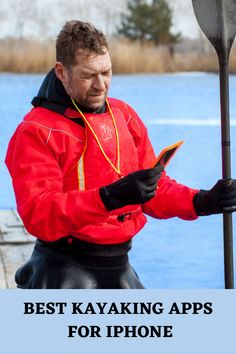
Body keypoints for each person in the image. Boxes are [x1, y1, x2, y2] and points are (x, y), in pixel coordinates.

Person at [5, 20, 236, 289]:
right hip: (62, 268)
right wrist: (109, 197)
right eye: (88, 75)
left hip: (119, 266)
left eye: (106, 72)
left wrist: (202, 201)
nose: (100, 85)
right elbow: (40, 215)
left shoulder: (123, 115)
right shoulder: (36, 130)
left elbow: (154, 190)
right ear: (61, 72)